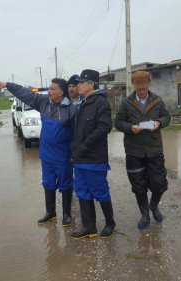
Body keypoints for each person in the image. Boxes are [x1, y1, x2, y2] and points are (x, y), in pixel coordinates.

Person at [0, 79, 76, 227]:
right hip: (46, 154)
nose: (48, 92)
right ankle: (50, 213)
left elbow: (77, 135)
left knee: (66, 184)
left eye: (52, 89)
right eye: (49, 89)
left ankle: (67, 214)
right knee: (48, 183)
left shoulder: (71, 109)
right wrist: (7, 85)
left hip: (63, 155)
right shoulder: (44, 102)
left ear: (60, 92)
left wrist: (74, 154)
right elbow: (25, 93)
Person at [114, 71, 171, 229]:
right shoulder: (126, 102)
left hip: (155, 150)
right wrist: (130, 128)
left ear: (149, 84)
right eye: (139, 89)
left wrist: (159, 123)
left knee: (159, 184)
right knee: (138, 186)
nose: (141, 92)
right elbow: (118, 122)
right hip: (134, 151)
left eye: (144, 89)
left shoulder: (157, 101)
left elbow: (167, 117)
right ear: (134, 86)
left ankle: (154, 206)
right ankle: (144, 214)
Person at [70, 69, 116, 239]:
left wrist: (85, 145)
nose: (78, 85)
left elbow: (105, 127)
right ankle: (89, 227)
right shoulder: (83, 102)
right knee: (82, 191)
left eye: (81, 82)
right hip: (80, 158)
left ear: (91, 84)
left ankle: (110, 223)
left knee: (99, 190)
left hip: (94, 158)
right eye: (78, 82)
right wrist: (75, 149)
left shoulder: (100, 102)